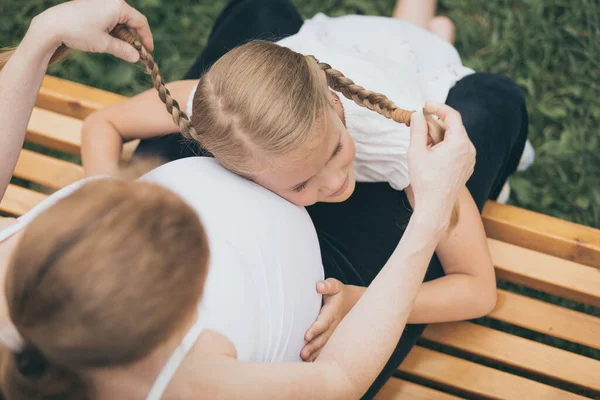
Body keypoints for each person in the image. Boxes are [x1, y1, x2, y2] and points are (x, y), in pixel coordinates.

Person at [0, 1, 476, 399]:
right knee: (492, 103)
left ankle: (418, 34)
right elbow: (339, 378)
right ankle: (422, 36)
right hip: (333, 301)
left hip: (301, 164)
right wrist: (430, 214)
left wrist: (42, 38)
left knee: (260, 12)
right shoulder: (178, 384)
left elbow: (107, 126)